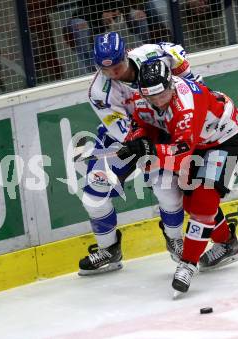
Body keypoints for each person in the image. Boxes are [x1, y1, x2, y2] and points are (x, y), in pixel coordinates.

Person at [118, 59, 238, 294]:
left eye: (161, 95)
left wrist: (148, 149)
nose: (157, 102)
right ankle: (227, 243)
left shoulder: (186, 105)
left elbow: (180, 153)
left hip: (225, 140)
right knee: (190, 201)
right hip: (198, 141)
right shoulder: (145, 95)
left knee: (203, 200)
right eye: (152, 97)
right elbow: (140, 121)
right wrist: (135, 139)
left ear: (170, 84)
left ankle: (188, 265)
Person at [78, 32, 202, 275]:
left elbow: (176, 51)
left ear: (125, 54)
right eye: (106, 69)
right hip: (123, 139)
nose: (113, 73)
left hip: (164, 128)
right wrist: (140, 144)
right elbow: (122, 130)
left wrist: (189, 79)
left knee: (165, 190)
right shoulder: (99, 93)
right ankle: (109, 250)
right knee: (93, 196)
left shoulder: (150, 53)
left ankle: (174, 238)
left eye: (117, 66)